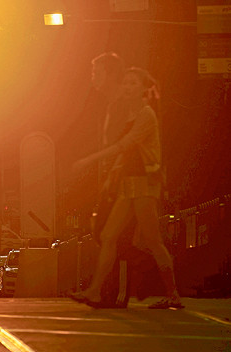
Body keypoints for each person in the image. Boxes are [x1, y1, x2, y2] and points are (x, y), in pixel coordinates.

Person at [71, 67, 183, 310]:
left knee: (154, 241)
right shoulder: (132, 115)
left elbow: (124, 146)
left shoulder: (146, 114)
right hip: (128, 186)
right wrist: (112, 176)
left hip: (144, 185)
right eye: (125, 82)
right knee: (108, 236)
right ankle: (94, 291)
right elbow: (127, 154)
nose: (127, 87)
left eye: (133, 83)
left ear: (144, 88)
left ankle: (173, 295)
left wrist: (88, 161)